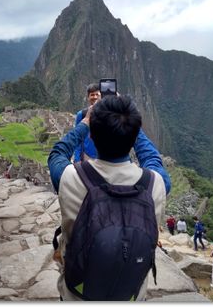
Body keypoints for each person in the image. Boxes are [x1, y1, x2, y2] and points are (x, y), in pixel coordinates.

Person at [48, 95, 170, 301]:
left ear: (92, 137)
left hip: (77, 296)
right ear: (133, 139)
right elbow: (152, 158)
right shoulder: (156, 184)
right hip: (130, 296)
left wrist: (85, 123)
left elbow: (57, 153)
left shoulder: (71, 178)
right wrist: (128, 122)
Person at [73, 83, 101, 162]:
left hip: (104, 158)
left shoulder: (107, 114)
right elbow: (78, 138)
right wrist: (77, 159)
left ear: (101, 96)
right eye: (92, 95)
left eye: (97, 94)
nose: (95, 97)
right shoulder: (81, 115)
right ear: (88, 97)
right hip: (87, 157)